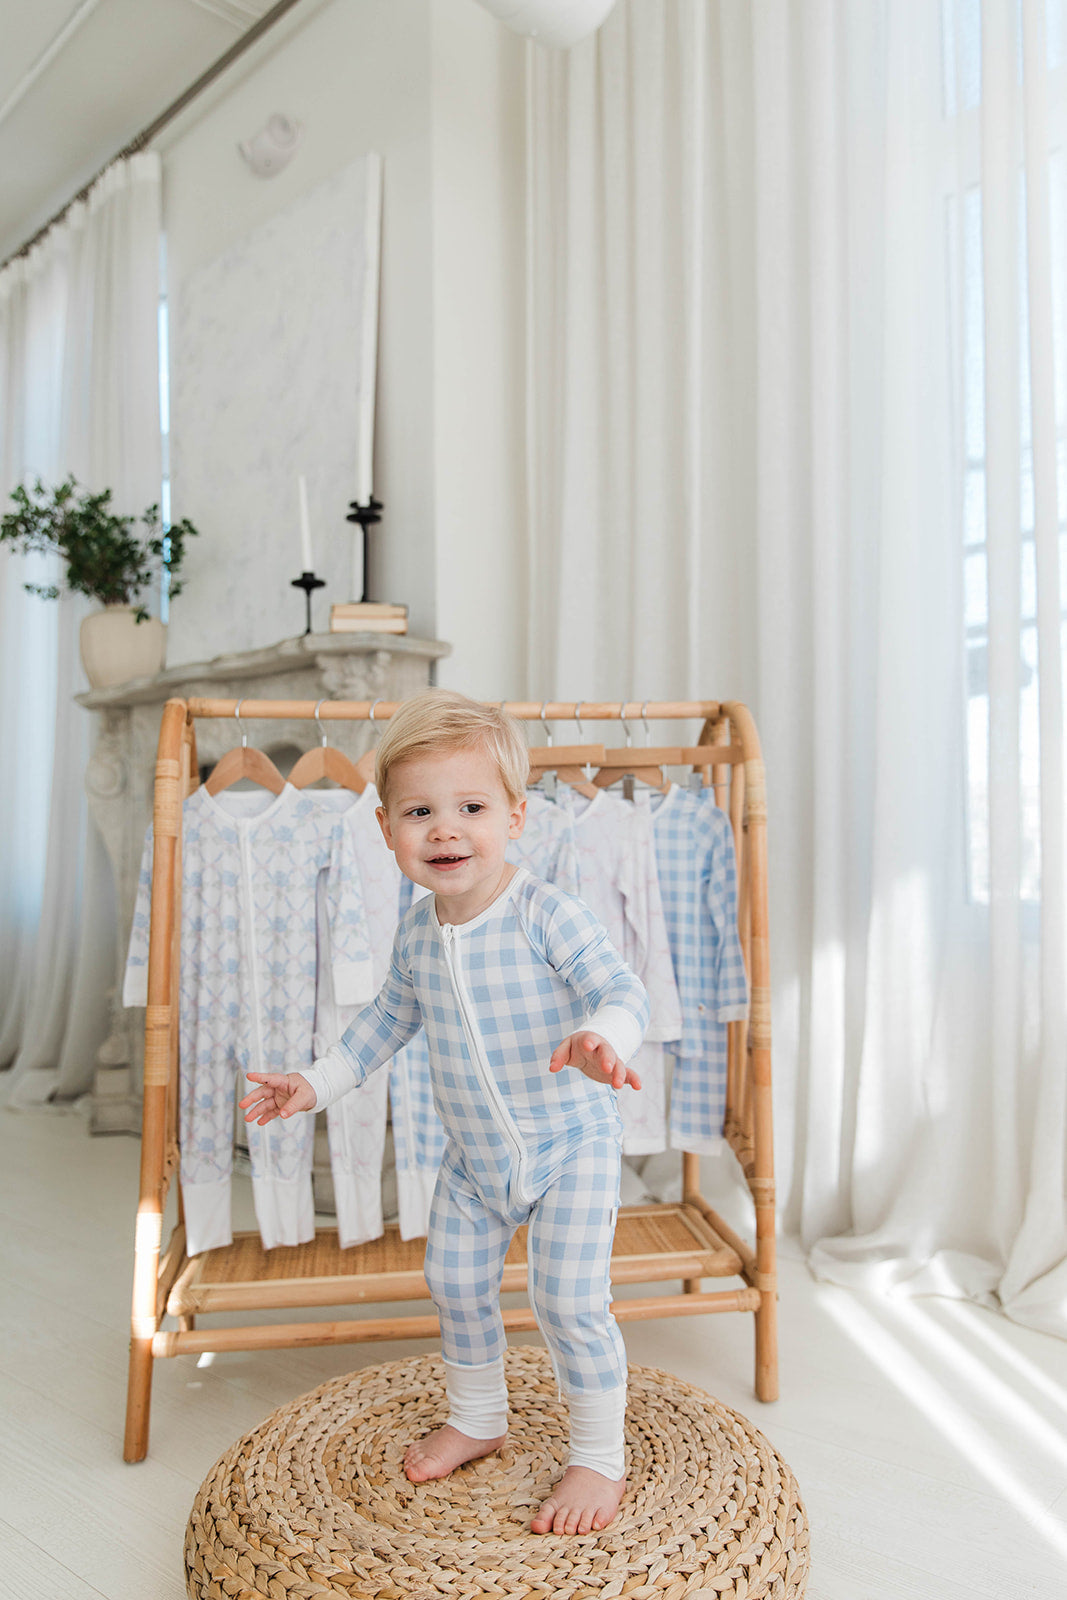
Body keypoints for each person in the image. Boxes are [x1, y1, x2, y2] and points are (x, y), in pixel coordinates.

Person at [240, 689, 649, 1535]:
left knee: (569, 1300)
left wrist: (602, 1036)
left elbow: (620, 987)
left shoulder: (543, 912)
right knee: (454, 1282)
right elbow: (383, 1023)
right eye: (420, 812)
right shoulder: (419, 932)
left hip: (569, 1143)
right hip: (474, 1162)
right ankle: (478, 1415)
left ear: (515, 817)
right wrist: (312, 1084)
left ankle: (597, 1459)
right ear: (387, 831)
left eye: (470, 808)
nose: (446, 830)